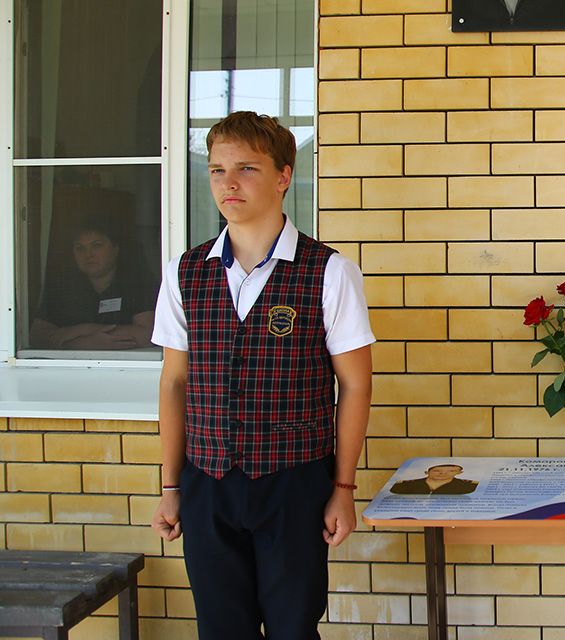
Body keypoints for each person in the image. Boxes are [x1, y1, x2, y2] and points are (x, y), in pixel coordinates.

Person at [149, 112, 375, 640]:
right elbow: (174, 383)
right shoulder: (186, 271)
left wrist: (343, 487)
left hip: (294, 481)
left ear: (283, 176)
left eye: (247, 168)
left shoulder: (328, 271)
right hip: (207, 481)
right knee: (221, 629)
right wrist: (170, 484)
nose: (229, 183)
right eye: (217, 170)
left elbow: (357, 385)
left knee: (294, 627)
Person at [32, 221, 156, 350]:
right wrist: (83, 337)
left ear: (115, 249)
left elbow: (147, 335)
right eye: (80, 248)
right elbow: (37, 336)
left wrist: (77, 334)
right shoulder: (62, 287)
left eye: (97, 245)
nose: (88, 254)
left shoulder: (137, 283)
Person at [390, 463, 478, 495]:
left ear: (459, 473)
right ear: (426, 472)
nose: (443, 473)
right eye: (437, 470)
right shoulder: (403, 486)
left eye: (451, 471)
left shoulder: (469, 487)